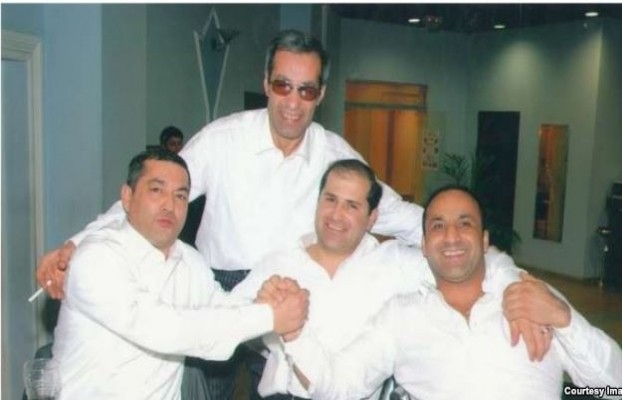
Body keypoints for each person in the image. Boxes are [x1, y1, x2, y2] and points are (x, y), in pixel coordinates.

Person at [37, 29, 423, 399]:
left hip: (283, 290)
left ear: (320, 94)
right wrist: (75, 244)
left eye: (306, 90)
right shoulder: (223, 139)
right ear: (266, 82)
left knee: (274, 388)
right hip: (215, 286)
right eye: (283, 85)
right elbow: (153, 196)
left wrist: (452, 240)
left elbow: (395, 213)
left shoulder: (335, 156)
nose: (293, 102)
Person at [231, 161, 553, 399]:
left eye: (352, 205)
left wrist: (516, 291)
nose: (336, 215)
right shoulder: (279, 263)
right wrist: (261, 314)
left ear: (372, 218)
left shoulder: (396, 263)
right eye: (330, 200)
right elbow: (230, 321)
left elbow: (470, 261)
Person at [280, 185, 622, 400]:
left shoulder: (535, 299)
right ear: (423, 245)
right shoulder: (401, 316)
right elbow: (337, 385)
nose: (451, 237)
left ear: (485, 240)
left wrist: (563, 319)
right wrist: (294, 333)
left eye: (465, 223)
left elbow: (614, 388)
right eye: (438, 226)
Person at [52, 148, 309, 399]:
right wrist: (267, 316)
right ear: (127, 198)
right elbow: (164, 328)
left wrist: (268, 301)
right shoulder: (96, 257)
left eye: (180, 196)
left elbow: (222, 307)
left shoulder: (189, 261)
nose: (169, 205)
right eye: (157, 190)